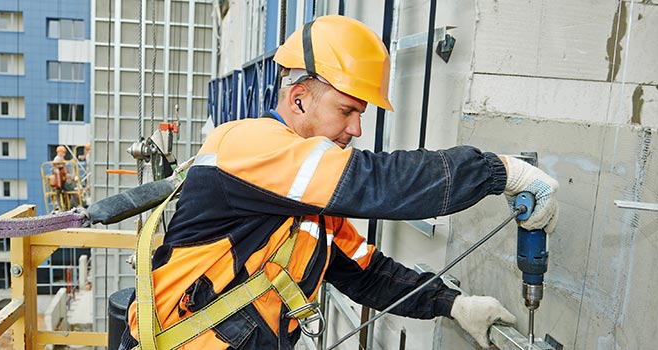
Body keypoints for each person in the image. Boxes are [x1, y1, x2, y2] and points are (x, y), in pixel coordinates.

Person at [119, 15, 558, 349]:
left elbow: (366, 273)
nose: (356, 129)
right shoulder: (248, 144)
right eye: (346, 111)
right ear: (299, 98)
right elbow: (379, 183)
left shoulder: (303, 198)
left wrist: (452, 304)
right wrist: (500, 172)